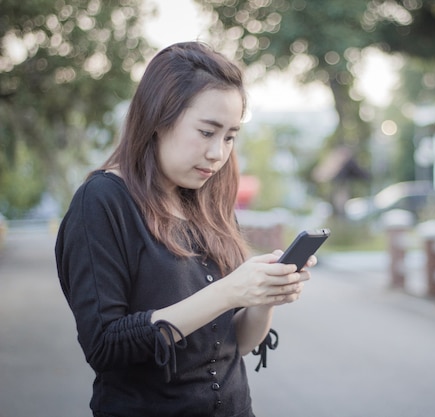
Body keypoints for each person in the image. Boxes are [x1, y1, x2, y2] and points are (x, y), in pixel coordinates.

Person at [55, 41, 315, 417]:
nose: (218, 154)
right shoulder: (101, 202)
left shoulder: (207, 200)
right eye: (207, 132)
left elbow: (234, 344)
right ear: (159, 119)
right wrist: (227, 292)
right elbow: (105, 347)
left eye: (229, 136)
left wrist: (262, 300)